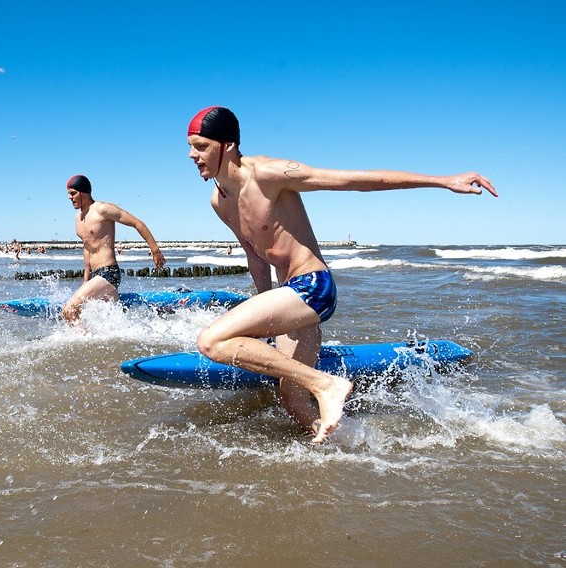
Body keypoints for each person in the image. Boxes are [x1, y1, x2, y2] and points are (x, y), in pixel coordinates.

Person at [186, 106, 498, 444]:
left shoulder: (268, 174)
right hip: (289, 299)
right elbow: (255, 257)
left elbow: (355, 180)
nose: (192, 155)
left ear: (227, 145)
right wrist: (265, 326)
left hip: (313, 288)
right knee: (292, 400)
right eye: (190, 147)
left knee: (211, 341)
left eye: (201, 146)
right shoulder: (220, 201)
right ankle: (353, 446)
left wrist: (442, 181)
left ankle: (327, 384)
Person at [61, 174, 166, 323]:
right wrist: (86, 280)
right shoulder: (78, 219)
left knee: (69, 310)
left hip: (108, 273)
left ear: (83, 192)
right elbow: (87, 248)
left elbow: (137, 223)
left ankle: (84, 342)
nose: (70, 198)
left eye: (73, 193)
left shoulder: (102, 209)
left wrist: (155, 251)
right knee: (114, 324)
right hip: (95, 275)